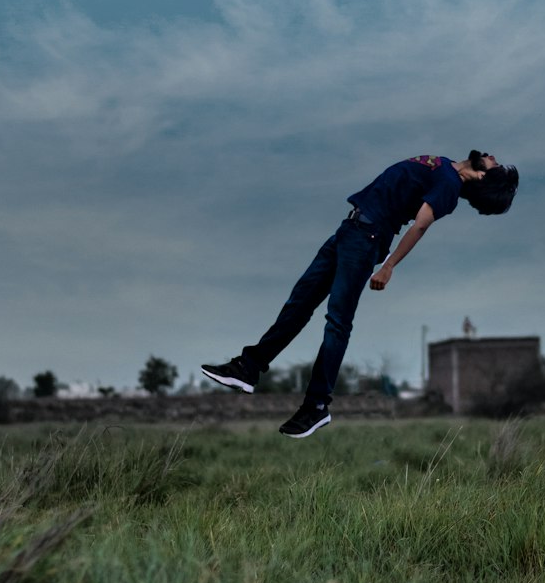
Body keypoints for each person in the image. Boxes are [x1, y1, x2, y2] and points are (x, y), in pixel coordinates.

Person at [201, 150, 519, 437]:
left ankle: (315, 407)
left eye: (495, 164)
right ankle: (248, 367)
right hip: (349, 230)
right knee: (297, 305)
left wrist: (389, 265)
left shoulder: (449, 186)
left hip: (366, 238)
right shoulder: (446, 166)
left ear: (481, 178)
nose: (492, 156)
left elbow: (420, 225)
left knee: (337, 321)